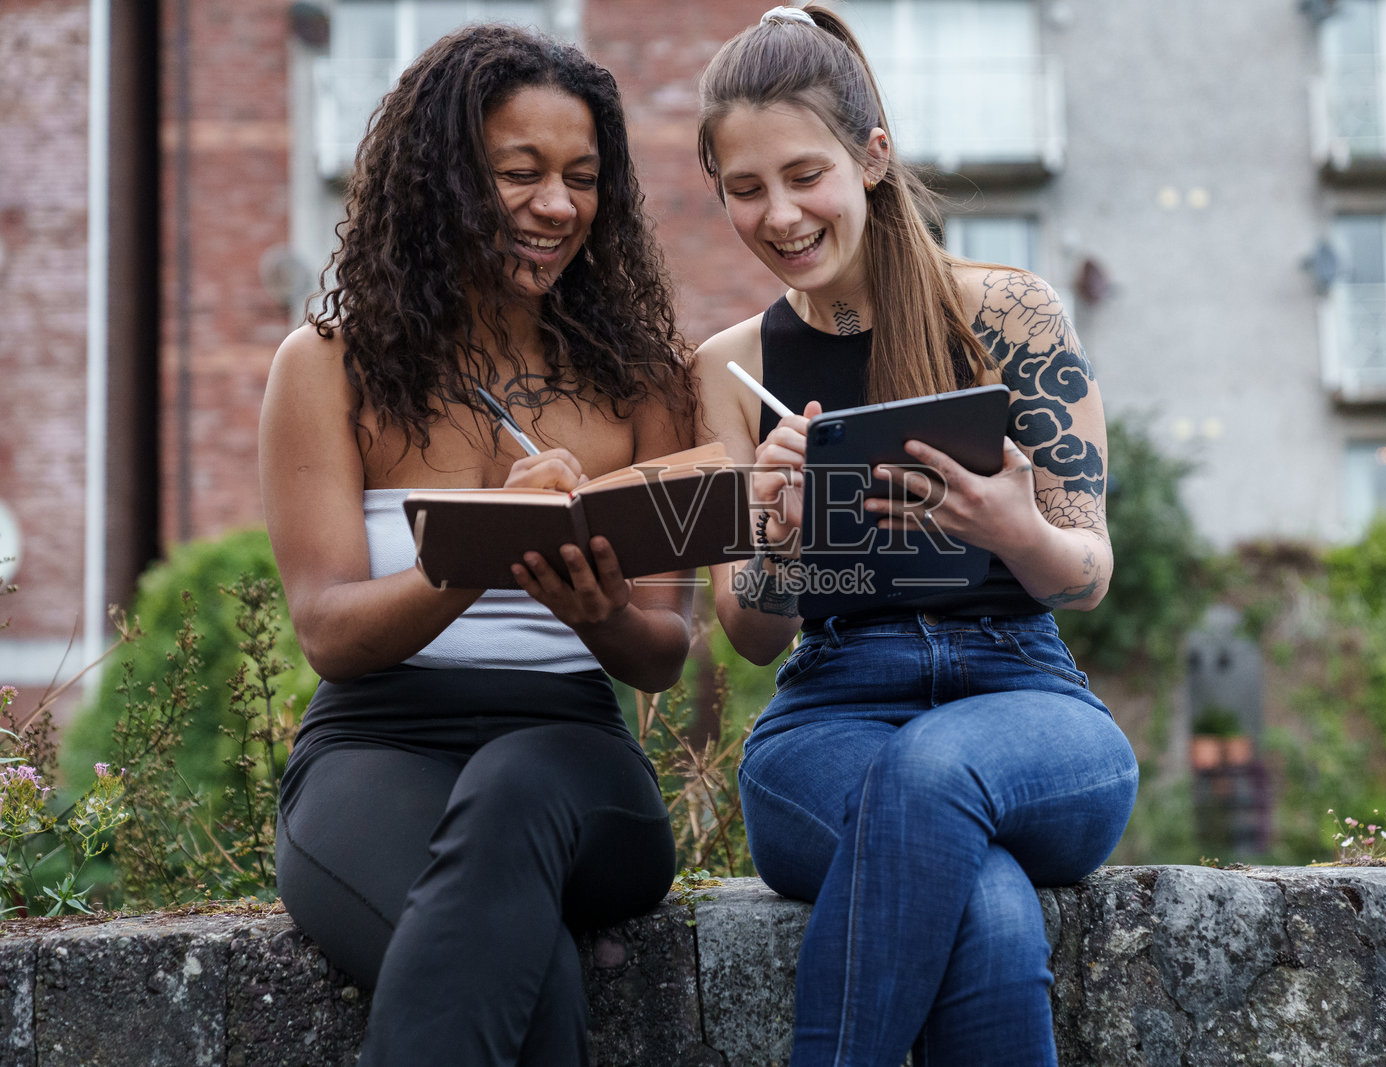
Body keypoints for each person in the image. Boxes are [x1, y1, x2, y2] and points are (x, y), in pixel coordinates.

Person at [693, 6, 1141, 1065]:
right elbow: (747, 634)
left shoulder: (1010, 314)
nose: (780, 214)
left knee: (935, 767)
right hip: (829, 716)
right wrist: (786, 543)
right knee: (983, 905)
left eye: (804, 174)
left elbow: (1085, 575)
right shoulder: (725, 367)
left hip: (1028, 701)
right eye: (744, 188)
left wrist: (1013, 526)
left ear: (872, 158)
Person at [259, 25, 697, 1066]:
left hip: (578, 761)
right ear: (442, 182)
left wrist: (597, 611)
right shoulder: (325, 369)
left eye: (582, 177)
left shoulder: (644, 377)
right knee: (532, 983)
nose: (557, 205)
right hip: (374, 748)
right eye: (520, 172)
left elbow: (667, 651)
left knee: (514, 780)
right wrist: (484, 548)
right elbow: (328, 631)